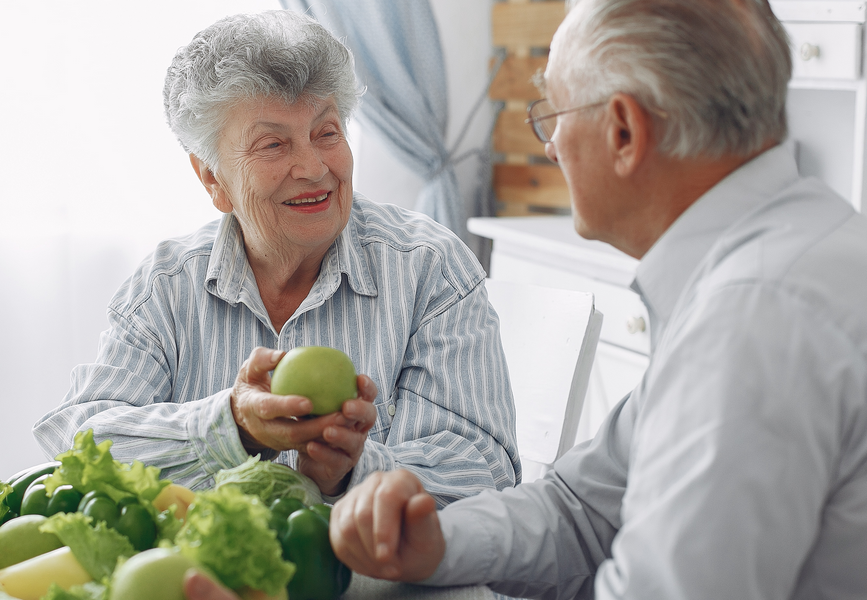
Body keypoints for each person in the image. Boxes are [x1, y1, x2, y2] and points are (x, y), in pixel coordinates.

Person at [325, 0, 867, 599]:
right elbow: (584, 505)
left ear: (623, 131)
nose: (552, 147)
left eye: (555, 113)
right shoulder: (796, 247)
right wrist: (440, 543)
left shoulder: (752, 321)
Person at [32, 10, 519, 509]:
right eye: (273, 144)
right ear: (213, 180)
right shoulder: (167, 283)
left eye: (327, 132)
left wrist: (352, 471)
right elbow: (82, 440)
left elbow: (485, 471)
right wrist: (232, 426)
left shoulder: (430, 269)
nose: (312, 168)